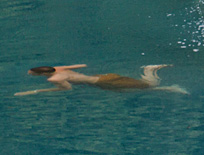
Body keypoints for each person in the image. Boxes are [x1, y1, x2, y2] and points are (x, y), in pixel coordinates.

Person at [14, 64, 187, 95]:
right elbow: (81, 65)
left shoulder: (54, 78)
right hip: (103, 77)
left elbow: (66, 89)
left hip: (102, 82)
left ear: (43, 75)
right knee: (131, 89)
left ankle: (149, 69)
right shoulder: (58, 68)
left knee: (150, 85)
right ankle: (170, 89)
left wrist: (36, 91)